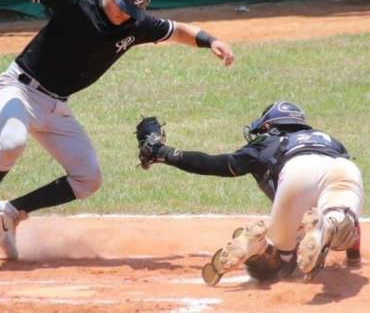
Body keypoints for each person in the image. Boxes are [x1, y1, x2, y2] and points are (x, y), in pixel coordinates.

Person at [0, 0, 235, 259]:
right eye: (121, 5)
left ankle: (11, 213)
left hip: (56, 106)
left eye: (132, 10)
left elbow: (177, 30)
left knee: (88, 179)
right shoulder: (75, 0)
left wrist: (212, 41)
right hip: (19, 88)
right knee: (12, 142)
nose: (125, 15)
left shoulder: (136, 24)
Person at [135, 101, 363, 283]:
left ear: (268, 126)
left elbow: (214, 164)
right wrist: (353, 259)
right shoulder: (329, 140)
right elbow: (356, 224)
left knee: (281, 265)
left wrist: (164, 152)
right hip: (342, 169)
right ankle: (328, 226)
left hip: (295, 174)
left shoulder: (267, 141)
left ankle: (257, 247)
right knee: (341, 216)